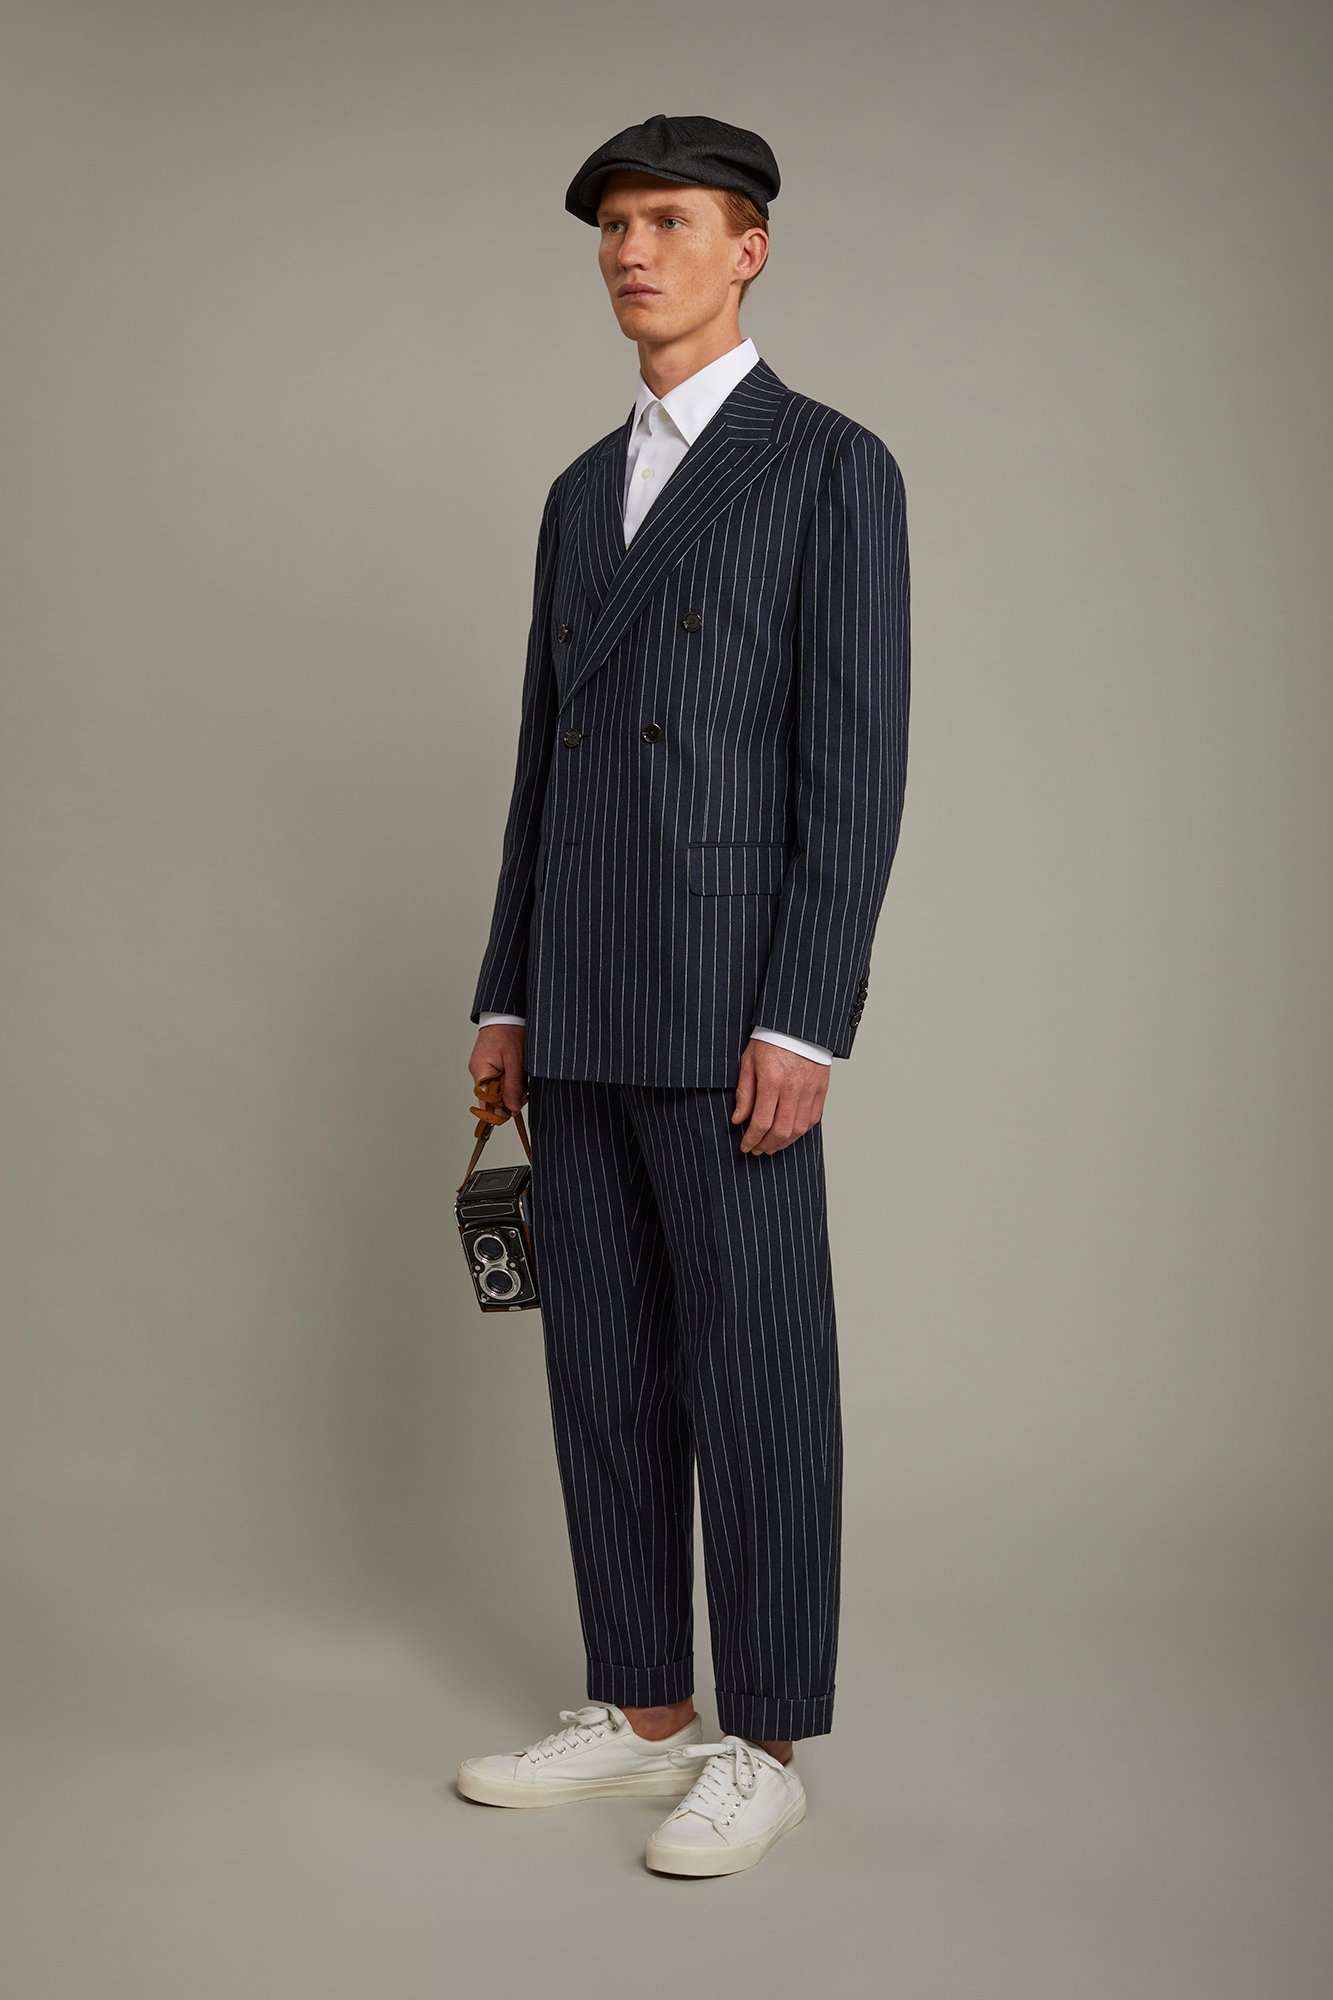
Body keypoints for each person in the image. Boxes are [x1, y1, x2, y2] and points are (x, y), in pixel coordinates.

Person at [456, 112, 911, 1877]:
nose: (631, 253)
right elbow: (541, 763)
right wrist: (504, 990)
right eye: (613, 228)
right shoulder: (582, 489)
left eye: (666, 221)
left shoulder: (828, 466)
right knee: (602, 1364)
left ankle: (765, 1737)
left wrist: (804, 1014)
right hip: (574, 990)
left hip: (731, 1002)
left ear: (748, 248)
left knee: (759, 1371)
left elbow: (851, 770)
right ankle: (641, 1710)